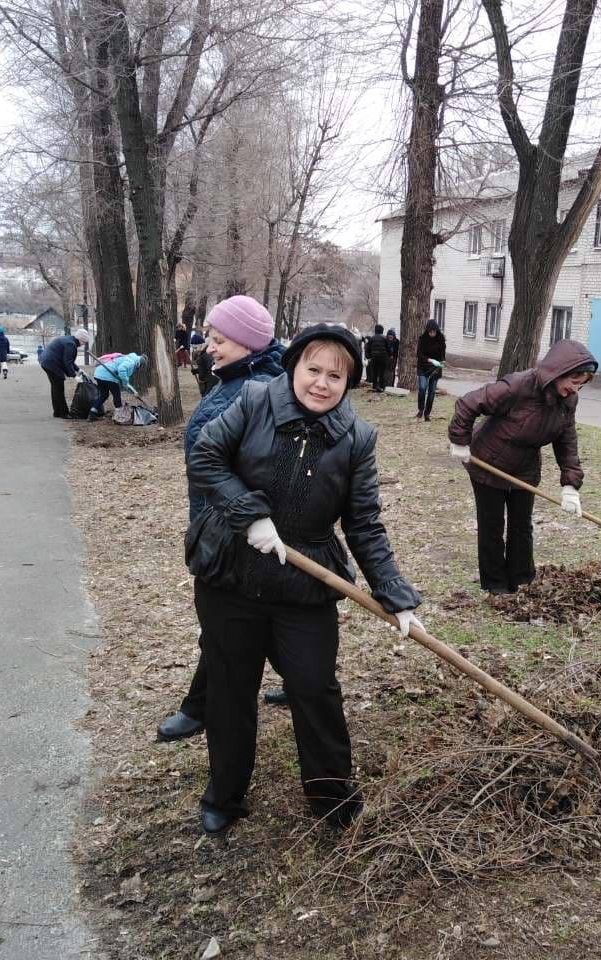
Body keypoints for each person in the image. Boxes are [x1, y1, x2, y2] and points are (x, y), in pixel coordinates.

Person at [185, 323, 422, 835]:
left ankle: (331, 797)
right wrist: (248, 514)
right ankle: (224, 794)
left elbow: (364, 522)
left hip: (304, 582)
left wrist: (395, 594)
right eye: (313, 369)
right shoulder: (252, 401)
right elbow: (206, 456)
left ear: (350, 380)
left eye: (335, 375)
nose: (321, 383)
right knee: (230, 687)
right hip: (231, 570)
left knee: (314, 688)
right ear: (294, 366)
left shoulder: (356, 437)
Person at [157, 295, 285, 743]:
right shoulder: (236, 379)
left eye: (219, 339)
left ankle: (199, 708)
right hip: (220, 520)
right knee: (245, 620)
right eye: (210, 337)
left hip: (239, 527)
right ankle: (299, 677)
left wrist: (244, 518)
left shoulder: (259, 389)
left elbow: (245, 467)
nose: (209, 346)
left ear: (248, 343)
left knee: (224, 624)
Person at [448, 340, 597, 595]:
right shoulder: (517, 386)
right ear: (558, 372)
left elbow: (566, 439)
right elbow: (468, 403)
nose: (575, 389)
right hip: (488, 464)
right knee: (492, 525)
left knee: (521, 525)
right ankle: (495, 584)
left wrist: (571, 485)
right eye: (573, 381)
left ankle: (522, 580)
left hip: (525, 469)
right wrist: (460, 441)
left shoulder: (568, 402)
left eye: (581, 383)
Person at [38, 328, 94, 419]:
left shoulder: (69, 340)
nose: (83, 344)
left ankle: (57, 412)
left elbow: (69, 361)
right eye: (84, 342)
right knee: (59, 388)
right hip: (51, 363)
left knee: (55, 388)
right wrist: (75, 376)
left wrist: (79, 370)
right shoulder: (70, 344)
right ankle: (63, 413)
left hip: (46, 362)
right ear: (80, 339)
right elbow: (67, 362)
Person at [90, 352, 144, 421]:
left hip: (99, 374)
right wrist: (125, 382)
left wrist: (133, 391)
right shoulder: (131, 362)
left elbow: (124, 378)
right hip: (107, 375)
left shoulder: (128, 358)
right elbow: (122, 370)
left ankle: (92, 413)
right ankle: (119, 416)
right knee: (116, 396)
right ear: (140, 364)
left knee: (104, 395)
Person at [414, 319, 446, 420]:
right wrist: (429, 360)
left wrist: (442, 361)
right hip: (423, 366)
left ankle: (427, 413)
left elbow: (442, 355)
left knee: (432, 392)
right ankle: (420, 409)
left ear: (437, 331)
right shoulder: (422, 339)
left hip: (435, 368)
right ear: (427, 331)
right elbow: (419, 354)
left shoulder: (441, 340)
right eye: (430, 331)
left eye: (434, 331)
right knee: (423, 388)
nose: (432, 333)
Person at [365, 324, 388, 393]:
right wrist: (389, 355)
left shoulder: (372, 338)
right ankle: (382, 386)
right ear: (382, 330)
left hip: (374, 358)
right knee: (382, 373)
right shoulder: (385, 338)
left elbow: (367, 348)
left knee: (375, 373)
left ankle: (375, 386)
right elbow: (388, 348)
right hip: (383, 358)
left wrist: (368, 356)